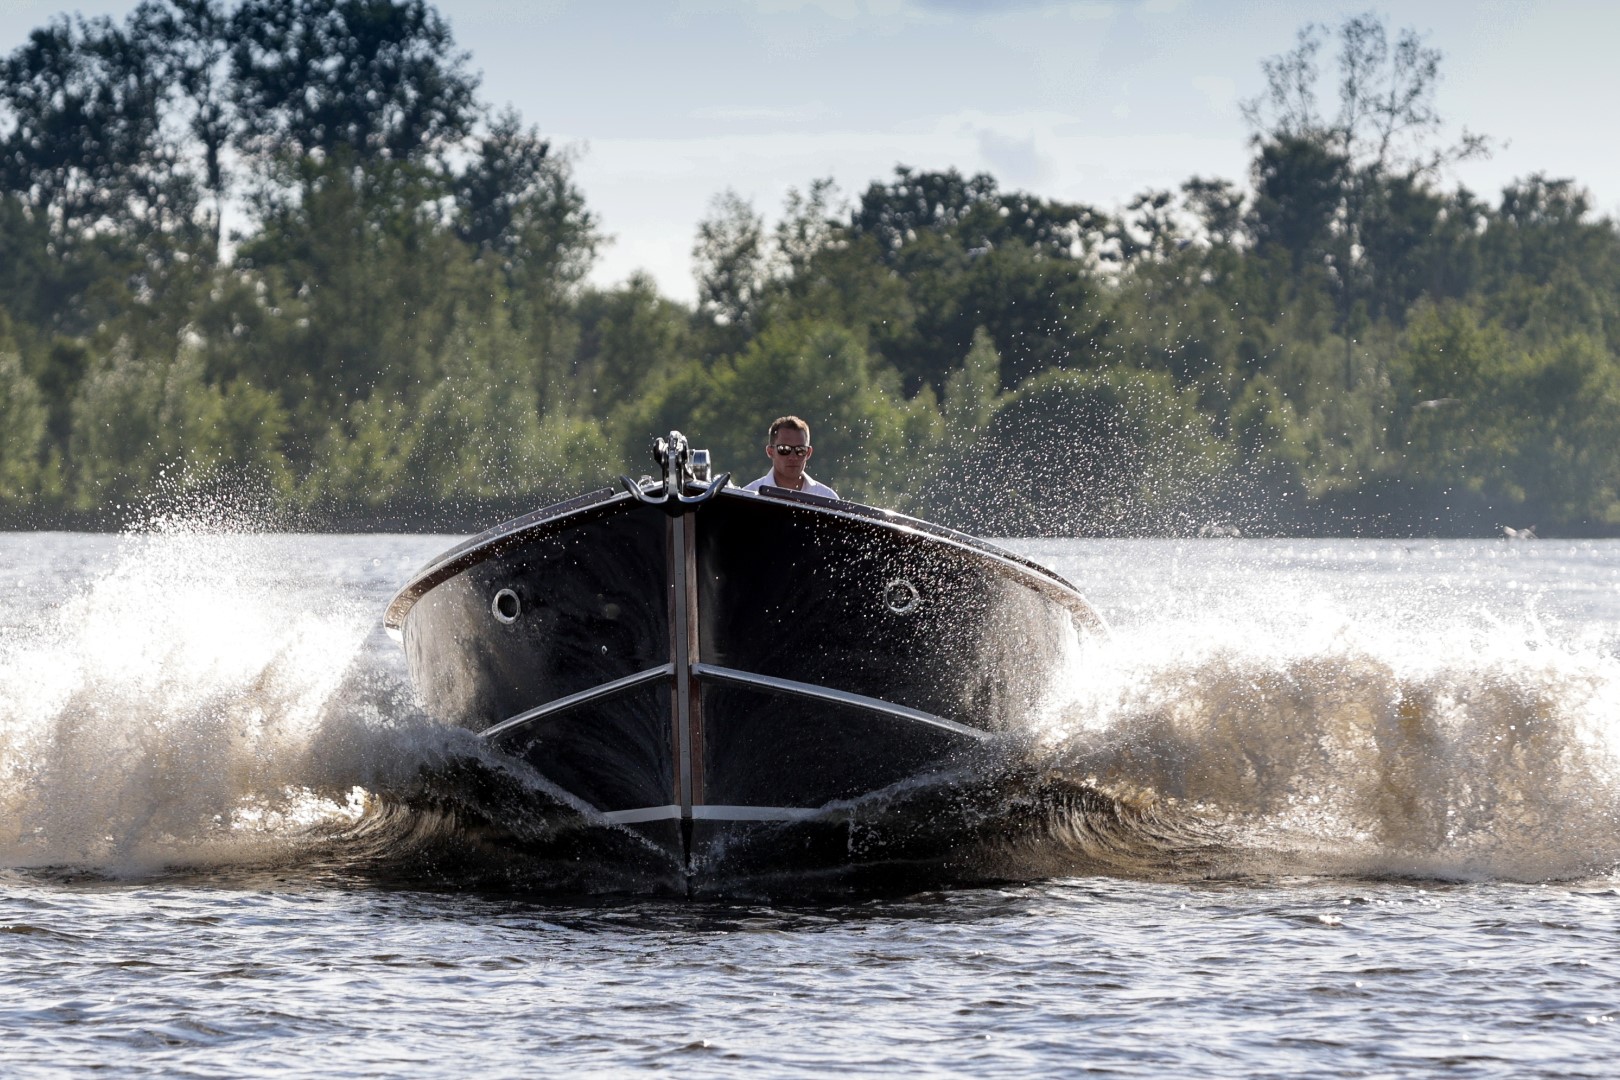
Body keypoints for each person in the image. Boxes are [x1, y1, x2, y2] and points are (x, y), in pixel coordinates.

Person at [742, 415, 839, 499]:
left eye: (800, 450)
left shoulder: (827, 498)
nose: (793, 457)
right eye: (784, 449)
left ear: (808, 453)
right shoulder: (749, 496)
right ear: (770, 452)